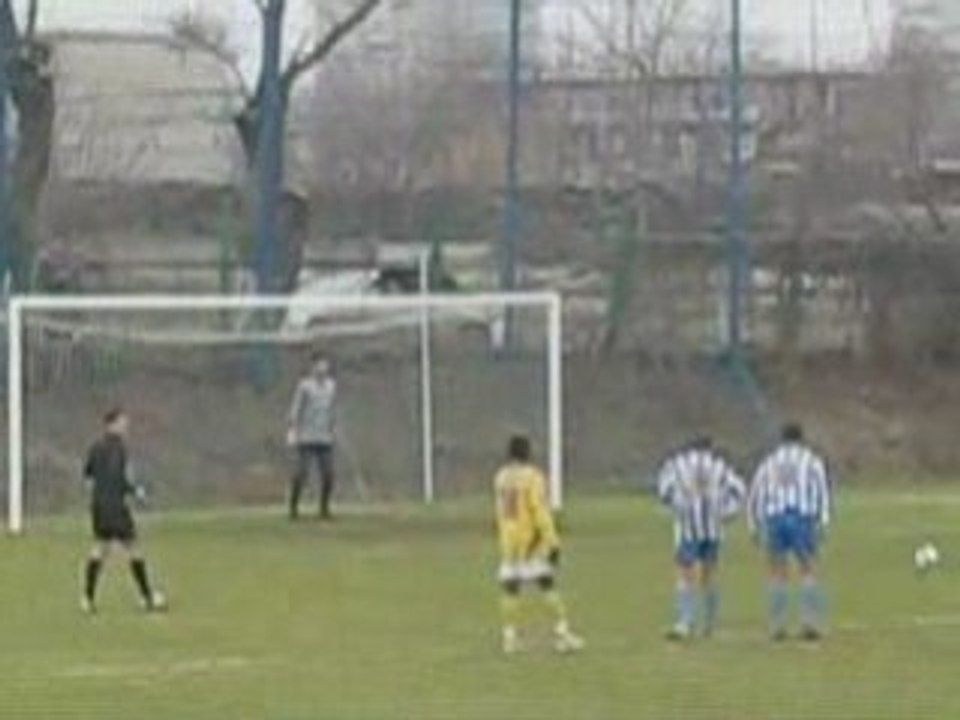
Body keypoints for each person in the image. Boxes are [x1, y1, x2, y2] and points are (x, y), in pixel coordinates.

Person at [494, 434, 584, 655]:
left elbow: (500, 510)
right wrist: (551, 540)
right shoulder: (532, 477)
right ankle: (562, 634)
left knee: (510, 589)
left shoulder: (501, 477)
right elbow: (539, 510)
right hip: (529, 539)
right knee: (547, 584)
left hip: (508, 540)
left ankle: (509, 637)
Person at [748, 423, 832, 641]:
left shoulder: (770, 462)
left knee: (777, 570)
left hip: (775, 517)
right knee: (808, 568)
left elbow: (756, 492)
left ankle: (777, 625)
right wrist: (822, 519)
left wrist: (754, 523)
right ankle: (810, 623)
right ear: (801, 439)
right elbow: (821, 489)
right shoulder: (811, 460)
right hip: (802, 517)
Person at [657, 436, 746, 640]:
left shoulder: (677, 464)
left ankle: (684, 623)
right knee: (709, 575)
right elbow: (739, 490)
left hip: (688, 528)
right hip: (712, 529)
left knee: (684, 574)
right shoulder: (719, 466)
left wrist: (676, 507)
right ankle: (709, 624)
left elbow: (664, 490)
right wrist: (727, 513)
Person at [81, 407, 165, 614]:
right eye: (122, 422)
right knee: (134, 548)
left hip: (98, 507)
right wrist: (136, 491)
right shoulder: (119, 449)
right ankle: (147, 597)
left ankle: (87, 598)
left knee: (99, 549)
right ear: (112, 424)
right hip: (116, 507)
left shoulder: (95, 447)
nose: (126, 426)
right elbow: (120, 478)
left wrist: (98, 496)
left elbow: (88, 476)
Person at [287, 353, 338, 520]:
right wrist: (293, 430)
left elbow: (331, 409)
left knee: (329, 474)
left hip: (325, 437)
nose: (323, 368)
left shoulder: (331, 386)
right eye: (319, 364)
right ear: (313, 366)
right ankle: (293, 507)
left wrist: (333, 427)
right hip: (307, 437)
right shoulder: (305, 386)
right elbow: (296, 409)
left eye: (325, 364)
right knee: (301, 474)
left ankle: (324, 508)